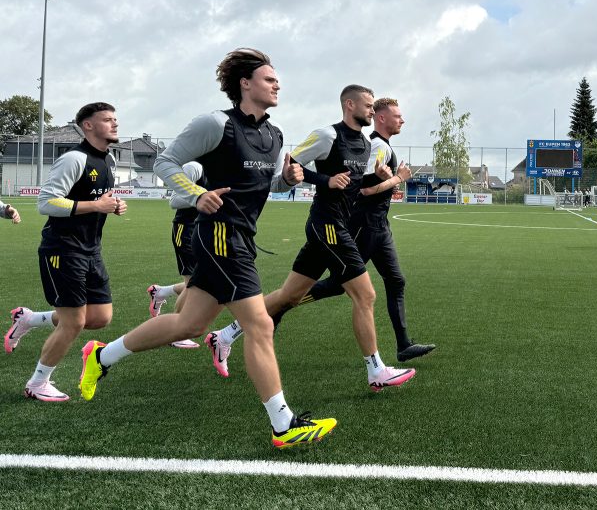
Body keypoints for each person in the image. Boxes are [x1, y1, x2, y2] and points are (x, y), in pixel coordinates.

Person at [78, 48, 336, 449]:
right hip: (218, 235)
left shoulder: (275, 134)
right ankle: (284, 425)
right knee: (260, 325)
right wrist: (196, 193)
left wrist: (288, 179)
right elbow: (165, 162)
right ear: (245, 84)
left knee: (190, 325)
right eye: (269, 78)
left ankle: (100, 357)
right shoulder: (215, 124)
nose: (277, 84)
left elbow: (264, 187)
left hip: (241, 238)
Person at [206, 85, 416, 392]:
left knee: (289, 296)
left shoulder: (364, 143)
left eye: (373, 106)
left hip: (336, 225)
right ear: (349, 104)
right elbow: (292, 164)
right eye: (368, 105)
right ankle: (376, 370)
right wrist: (325, 179)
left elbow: (359, 183)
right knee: (365, 295)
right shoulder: (328, 136)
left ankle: (224, 335)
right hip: (327, 224)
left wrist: (384, 176)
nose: (372, 110)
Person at [270, 97, 435, 362]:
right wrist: (396, 178)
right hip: (362, 225)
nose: (402, 120)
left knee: (395, 280)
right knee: (341, 286)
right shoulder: (376, 146)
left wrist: (386, 178)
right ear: (380, 118)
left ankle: (403, 345)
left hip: (380, 227)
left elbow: (366, 180)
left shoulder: (374, 146)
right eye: (397, 116)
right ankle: (278, 308)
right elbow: (363, 189)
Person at [5, 102, 127, 402]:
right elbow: (46, 203)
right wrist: (95, 206)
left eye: (115, 119)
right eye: (107, 120)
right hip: (63, 249)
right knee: (74, 321)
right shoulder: (74, 159)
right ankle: (37, 383)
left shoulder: (107, 160)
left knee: (99, 317)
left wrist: (112, 206)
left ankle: (30, 320)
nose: (114, 124)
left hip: (91, 250)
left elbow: (98, 199)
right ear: (87, 125)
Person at [144, 161, 207, 349]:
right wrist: (203, 195)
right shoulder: (195, 166)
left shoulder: (220, 166)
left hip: (205, 230)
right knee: (193, 283)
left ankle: (161, 292)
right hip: (186, 229)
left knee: (205, 280)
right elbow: (174, 200)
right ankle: (176, 332)